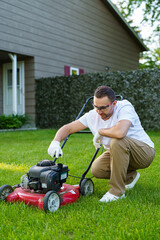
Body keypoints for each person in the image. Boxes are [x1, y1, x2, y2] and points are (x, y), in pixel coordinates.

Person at [48, 86, 155, 203]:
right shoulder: (92, 115)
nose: (99, 111)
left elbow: (120, 133)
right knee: (97, 169)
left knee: (117, 140)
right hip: (119, 152)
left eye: (103, 108)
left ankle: (116, 192)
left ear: (114, 103)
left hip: (144, 152)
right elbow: (68, 128)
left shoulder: (124, 106)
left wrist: (101, 131)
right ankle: (130, 176)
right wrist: (56, 141)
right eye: (96, 107)